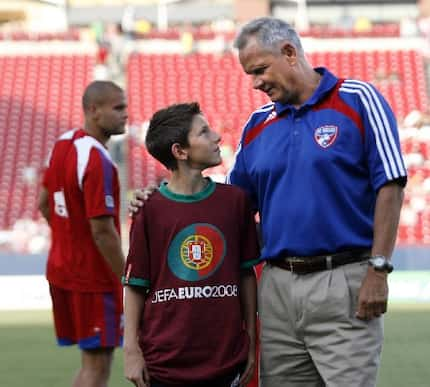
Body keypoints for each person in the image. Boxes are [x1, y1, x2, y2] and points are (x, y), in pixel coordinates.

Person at [130, 17, 407, 387]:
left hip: (344, 281)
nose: (256, 82)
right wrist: (162, 199)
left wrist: (379, 269)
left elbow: (391, 184)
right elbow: (231, 207)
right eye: (250, 74)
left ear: (289, 53)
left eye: (260, 70)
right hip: (276, 286)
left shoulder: (358, 99)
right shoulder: (257, 124)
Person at [122, 102, 259, 387]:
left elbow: (246, 275)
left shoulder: (234, 201)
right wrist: (131, 350)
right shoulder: (149, 209)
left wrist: (251, 340)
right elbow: (136, 285)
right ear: (180, 151)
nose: (217, 137)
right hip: (164, 363)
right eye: (204, 132)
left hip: (225, 359)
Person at [38, 80, 128, 387]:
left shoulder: (62, 143)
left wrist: (68, 238)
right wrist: (126, 280)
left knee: (92, 364)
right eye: (118, 108)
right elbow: (102, 231)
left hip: (60, 268)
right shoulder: (97, 159)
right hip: (93, 278)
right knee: (98, 366)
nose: (126, 115)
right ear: (94, 111)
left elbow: (44, 203)